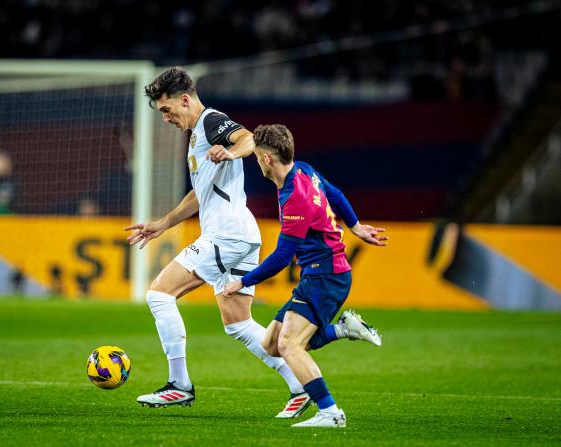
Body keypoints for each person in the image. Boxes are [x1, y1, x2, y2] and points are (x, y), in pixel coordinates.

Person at [126, 67, 320, 417]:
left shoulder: (211, 121)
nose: (166, 118)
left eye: (167, 110)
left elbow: (247, 138)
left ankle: (179, 385)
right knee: (238, 324)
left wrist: (233, 152)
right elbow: (199, 195)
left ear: (185, 100)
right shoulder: (197, 135)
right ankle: (299, 383)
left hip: (227, 234)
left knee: (159, 295)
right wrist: (163, 224)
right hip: (239, 233)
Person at [223, 124, 387, 427]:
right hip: (321, 274)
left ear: (267, 159)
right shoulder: (304, 169)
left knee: (289, 345)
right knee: (271, 344)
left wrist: (243, 281)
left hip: (325, 276)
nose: (256, 161)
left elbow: (282, 258)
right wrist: (356, 225)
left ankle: (331, 412)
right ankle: (344, 330)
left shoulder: (293, 198)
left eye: (257, 157)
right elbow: (334, 193)